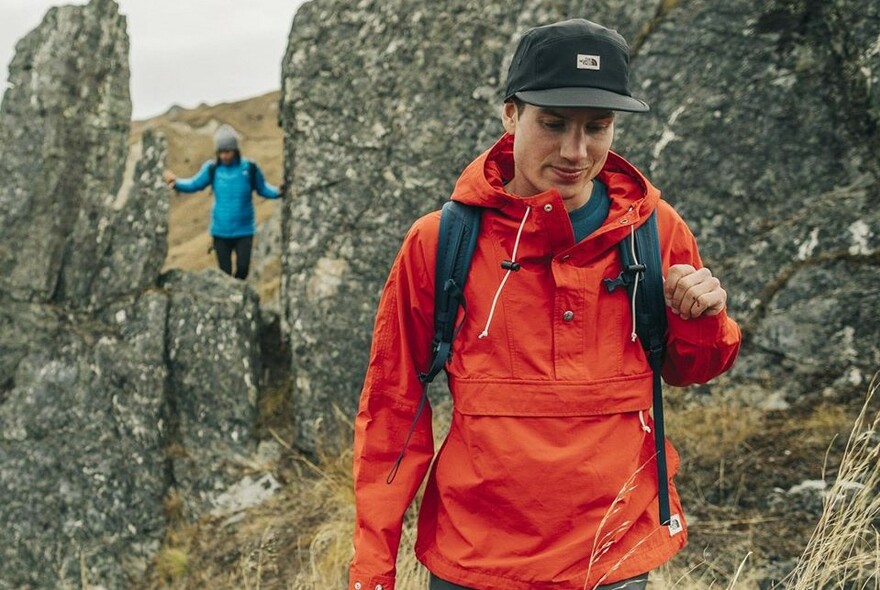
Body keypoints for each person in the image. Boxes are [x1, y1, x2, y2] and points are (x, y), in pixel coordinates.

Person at [350, 18, 742, 590]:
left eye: (598, 126)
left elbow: (691, 369)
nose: (575, 151)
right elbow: (391, 411)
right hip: (475, 566)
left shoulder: (654, 229)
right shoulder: (440, 242)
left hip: (614, 559)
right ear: (511, 114)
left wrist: (705, 322)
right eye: (553, 123)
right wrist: (372, 571)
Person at [163, 124, 281, 280]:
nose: (224, 156)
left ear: (235, 150)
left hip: (244, 231)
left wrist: (279, 192)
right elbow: (194, 184)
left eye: (227, 151)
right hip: (220, 232)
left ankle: (239, 298)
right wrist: (176, 183)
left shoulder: (250, 168)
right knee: (224, 275)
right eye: (220, 152)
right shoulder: (212, 169)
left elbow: (263, 189)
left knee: (243, 270)